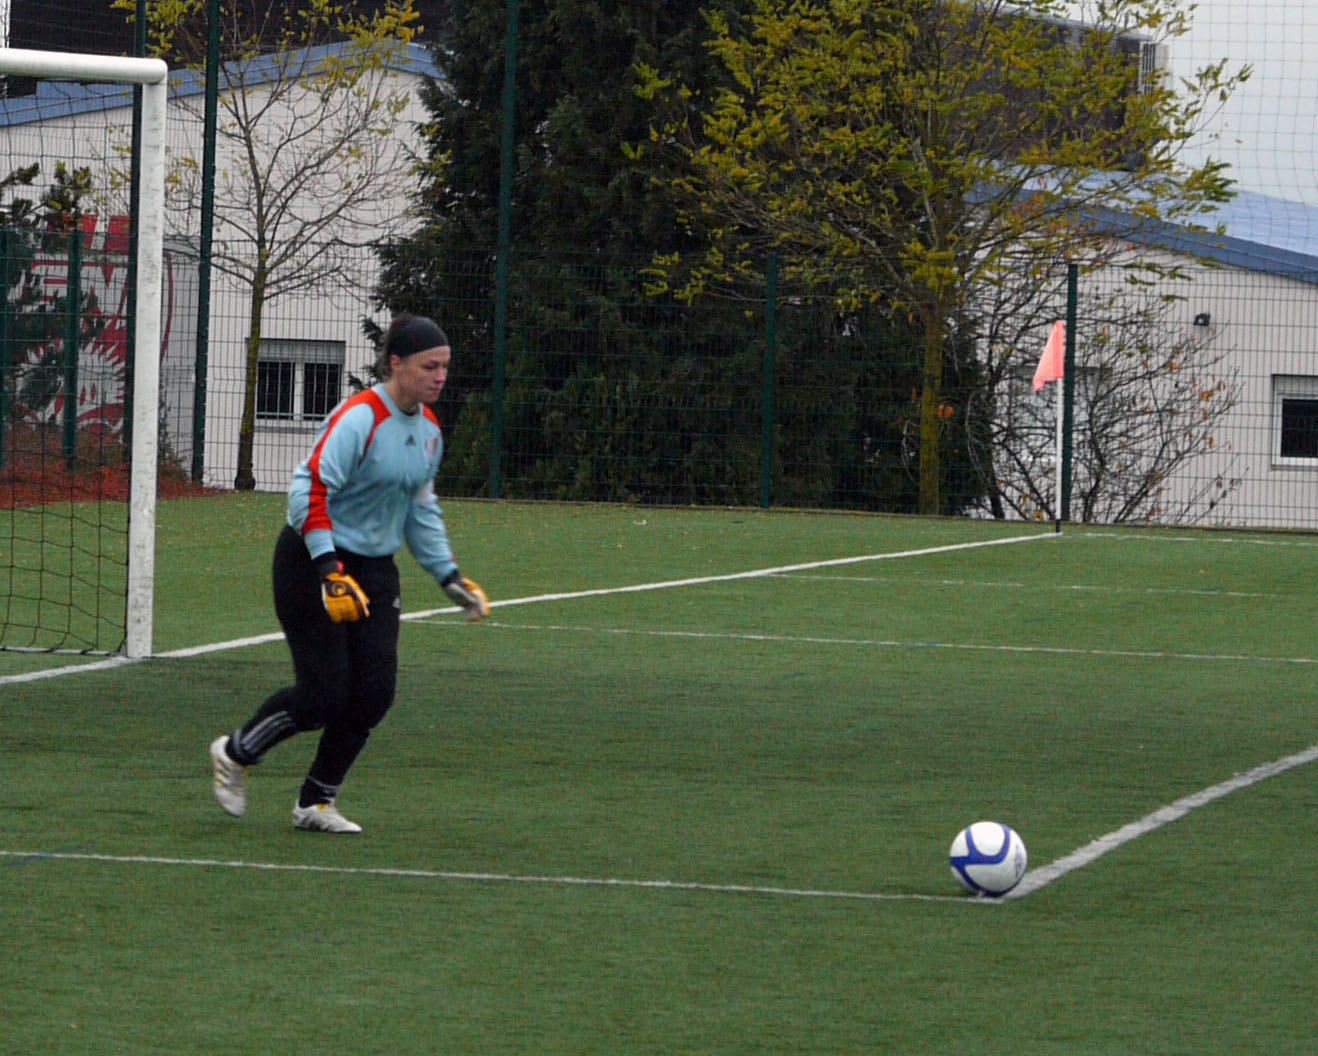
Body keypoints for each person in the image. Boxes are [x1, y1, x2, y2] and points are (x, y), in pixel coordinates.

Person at [208, 313, 489, 834]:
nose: (440, 376)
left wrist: (448, 575)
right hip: (312, 560)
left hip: (375, 569)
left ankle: (316, 803)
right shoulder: (360, 418)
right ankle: (235, 751)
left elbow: (420, 507)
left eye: (446, 367)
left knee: (374, 692)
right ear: (396, 363)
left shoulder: (428, 430)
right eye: (430, 365)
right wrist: (329, 570)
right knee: (322, 694)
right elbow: (307, 493)